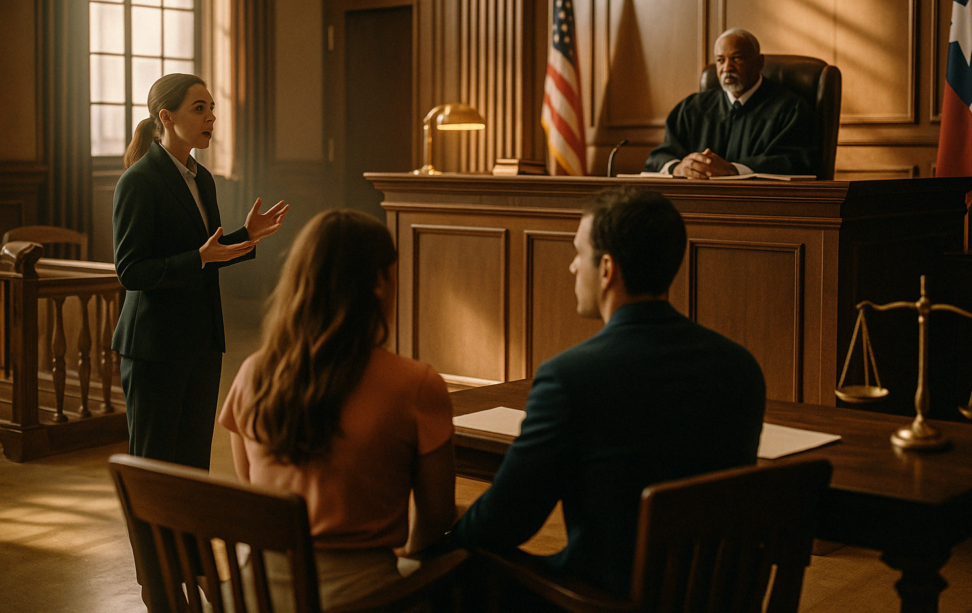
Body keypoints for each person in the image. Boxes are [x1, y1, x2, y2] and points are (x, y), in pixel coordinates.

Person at [449, 185, 766, 599]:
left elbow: (505, 523)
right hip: (715, 599)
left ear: (606, 269)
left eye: (578, 253)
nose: (571, 267)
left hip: (603, 601)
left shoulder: (570, 377)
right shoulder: (741, 368)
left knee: (454, 569)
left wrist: (442, 539)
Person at [219, 209, 456, 611]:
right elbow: (435, 519)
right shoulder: (416, 384)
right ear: (379, 283)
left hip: (255, 595)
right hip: (361, 598)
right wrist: (410, 560)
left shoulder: (252, 373)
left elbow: (254, 484)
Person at [112, 73, 288, 471]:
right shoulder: (138, 181)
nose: (211, 117)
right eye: (199, 108)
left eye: (211, 108)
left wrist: (248, 236)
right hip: (154, 347)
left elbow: (208, 253)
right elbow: (131, 271)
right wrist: (199, 258)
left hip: (203, 342)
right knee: (155, 468)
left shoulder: (203, 179)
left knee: (193, 465)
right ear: (167, 117)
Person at [644, 28, 818, 178]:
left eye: (737, 58)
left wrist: (734, 170)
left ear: (759, 63)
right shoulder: (692, 108)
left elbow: (795, 162)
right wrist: (678, 168)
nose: (727, 68)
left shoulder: (790, 108)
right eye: (720, 60)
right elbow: (659, 157)